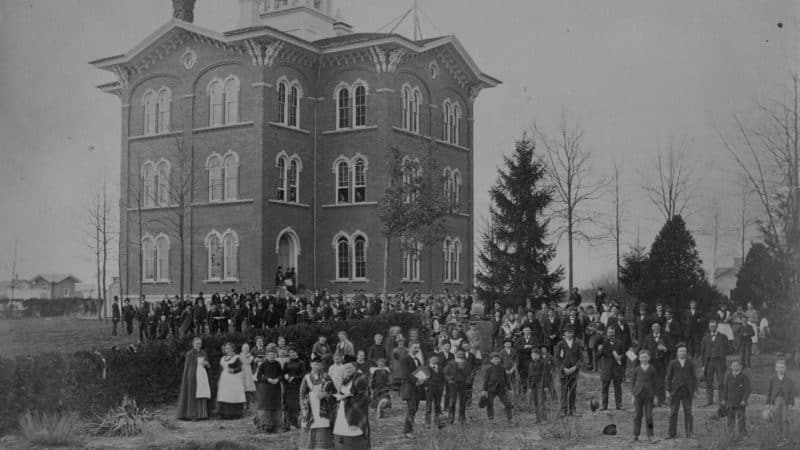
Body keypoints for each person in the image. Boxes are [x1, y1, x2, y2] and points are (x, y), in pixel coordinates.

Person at [331, 359, 371, 449]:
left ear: (355, 366)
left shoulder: (361, 378)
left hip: (355, 413)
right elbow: (343, 392)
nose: (347, 370)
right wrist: (338, 396)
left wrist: (346, 398)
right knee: (343, 434)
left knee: (354, 435)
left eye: (349, 368)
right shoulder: (347, 378)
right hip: (344, 410)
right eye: (345, 368)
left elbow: (364, 398)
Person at [299, 355, 335, 450]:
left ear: (321, 365)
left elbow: (333, 392)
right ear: (311, 365)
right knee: (310, 425)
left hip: (323, 406)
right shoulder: (306, 377)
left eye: (319, 364)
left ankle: (322, 447)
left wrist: (325, 394)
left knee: (323, 424)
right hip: (310, 407)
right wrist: (303, 409)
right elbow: (301, 395)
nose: (317, 366)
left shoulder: (326, 377)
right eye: (315, 364)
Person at [665, 342, 696, 439]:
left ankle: (690, 433)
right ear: (677, 353)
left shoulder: (690, 363)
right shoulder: (673, 363)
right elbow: (668, 377)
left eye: (684, 351)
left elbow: (694, 377)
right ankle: (671, 433)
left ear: (686, 352)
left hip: (687, 391)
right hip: (675, 391)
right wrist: (667, 390)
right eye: (680, 351)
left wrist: (695, 390)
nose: (682, 353)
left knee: (689, 412)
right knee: (673, 412)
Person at [176, 337, 211, 420]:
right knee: (193, 394)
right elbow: (188, 368)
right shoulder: (189, 354)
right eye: (197, 343)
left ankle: (202, 414)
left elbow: (208, 365)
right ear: (193, 344)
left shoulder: (203, 353)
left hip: (202, 376)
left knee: (202, 394)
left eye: (200, 343)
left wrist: (207, 364)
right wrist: (190, 376)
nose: (199, 345)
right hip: (193, 376)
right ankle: (193, 414)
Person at [766, 357, 796, 446]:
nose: (780, 369)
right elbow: (769, 391)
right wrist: (768, 403)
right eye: (779, 367)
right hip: (775, 401)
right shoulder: (773, 379)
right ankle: (777, 437)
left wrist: (791, 403)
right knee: (776, 419)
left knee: (785, 419)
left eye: (782, 367)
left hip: (785, 401)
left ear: (785, 368)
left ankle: (785, 438)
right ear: (776, 368)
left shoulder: (789, 380)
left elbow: (792, 392)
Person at [554, 327, 582, 416]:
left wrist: (575, 367)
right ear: (564, 334)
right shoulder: (560, 344)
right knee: (563, 391)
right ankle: (563, 410)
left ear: (573, 333)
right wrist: (563, 368)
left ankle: (572, 410)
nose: (569, 334)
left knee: (573, 391)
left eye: (571, 332)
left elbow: (581, 358)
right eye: (567, 332)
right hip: (564, 372)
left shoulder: (577, 344)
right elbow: (556, 359)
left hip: (573, 371)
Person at [255, 344, 283, 431]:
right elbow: (258, 377)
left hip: (275, 389)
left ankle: (276, 425)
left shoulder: (278, 364)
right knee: (265, 407)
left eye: (274, 354)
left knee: (275, 407)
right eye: (270, 354)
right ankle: (264, 425)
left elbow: (281, 375)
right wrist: (268, 379)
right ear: (267, 355)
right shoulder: (263, 364)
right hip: (265, 389)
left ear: (276, 355)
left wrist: (278, 379)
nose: (272, 356)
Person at [701, 320, 729, 406]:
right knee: (709, 382)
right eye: (711, 326)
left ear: (717, 326)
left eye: (714, 326)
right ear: (709, 327)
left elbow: (728, 349)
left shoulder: (723, 337)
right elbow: (703, 352)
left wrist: (722, 356)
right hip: (709, 362)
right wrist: (703, 365)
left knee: (721, 382)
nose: (712, 328)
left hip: (719, 362)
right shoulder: (705, 337)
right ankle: (709, 400)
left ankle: (722, 400)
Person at [631, 349, 657, 444]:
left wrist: (655, 396)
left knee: (649, 416)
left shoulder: (652, 369)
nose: (644, 359)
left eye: (646, 357)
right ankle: (635, 435)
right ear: (639, 358)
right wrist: (633, 395)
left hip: (649, 396)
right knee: (637, 415)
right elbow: (633, 383)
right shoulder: (636, 370)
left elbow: (655, 384)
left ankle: (650, 435)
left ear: (649, 358)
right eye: (642, 357)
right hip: (638, 395)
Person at [400, 340, 425, 439]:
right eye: (414, 347)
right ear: (409, 347)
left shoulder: (418, 360)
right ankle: (407, 431)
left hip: (417, 388)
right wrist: (417, 380)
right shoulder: (404, 359)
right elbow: (406, 375)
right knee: (412, 409)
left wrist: (423, 379)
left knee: (415, 409)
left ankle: (410, 429)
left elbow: (420, 373)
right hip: (409, 388)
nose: (416, 350)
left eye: (418, 348)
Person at [217, 342, 246, 419]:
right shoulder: (223, 358)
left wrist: (233, 370)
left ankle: (235, 413)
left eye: (229, 348)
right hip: (224, 379)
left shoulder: (237, 358)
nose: (228, 350)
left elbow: (240, 368)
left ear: (233, 348)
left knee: (233, 395)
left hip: (234, 379)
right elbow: (220, 369)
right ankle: (224, 413)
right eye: (226, 348)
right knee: (224, 394)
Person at [598, 326, 625, 410]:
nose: (611, 334)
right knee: (605, 388)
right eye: (609, 333)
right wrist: (600, 350)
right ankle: (604, 405)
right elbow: (598, 356)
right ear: (607, 333)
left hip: (617, 369)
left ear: (615, 333)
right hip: (606, 369)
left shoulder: (620, 343)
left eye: (612, 333)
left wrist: (620, 357)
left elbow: (625, 355)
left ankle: (619, 404)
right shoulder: (603, 343)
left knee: (618, 388)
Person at [722, 359, 751, 438]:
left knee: (741, 419)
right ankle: (730, 434)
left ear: (740, 367)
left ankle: (743, 435)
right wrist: (724, 399)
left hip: (740, 403)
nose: (735, 367)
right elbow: (725, 388)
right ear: (731, 367)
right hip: (730, 402)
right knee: (730, 419)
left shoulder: (744, 376)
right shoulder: (728, 375)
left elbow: (747, 390)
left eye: (737, 365)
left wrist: (744, 400)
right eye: (733, 365)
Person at [444, 348, 472, 424]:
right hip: (453, 384)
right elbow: (445, 373)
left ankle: (462, 418)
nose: (460, 355)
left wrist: (468, 381)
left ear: (463, 355)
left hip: (463, 383)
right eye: (458, 354)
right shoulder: (451, 363)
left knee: (463, 401)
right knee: (453, 400)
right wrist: (449, 380)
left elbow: (469, 374)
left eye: (462, 354)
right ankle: (451, 418)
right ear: (455, 354)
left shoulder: (466, 363)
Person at [482, 352, 513, 422]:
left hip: (501, 389)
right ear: (491, 360)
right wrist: (484, 389)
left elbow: (506, 379)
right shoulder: (489, 368)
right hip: (491, 389)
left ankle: (510, 419)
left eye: (497, 359)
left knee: (507, 403)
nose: (496, 360)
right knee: (490, 404)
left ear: (499, 359)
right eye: (494, 359)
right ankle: (491, 420)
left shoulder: (502, 368)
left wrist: (509, 388)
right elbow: (486, 379)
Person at [284, 348, 306, 430]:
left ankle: (299, 423)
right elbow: (283, 373)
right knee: (289, 405)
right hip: (288, 387)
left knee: (297, 405)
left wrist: (294, 377)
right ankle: (291, 423)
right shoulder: (287, 363)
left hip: (298, 386)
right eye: (289, 353)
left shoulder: (301, 363)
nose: (291, 354)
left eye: (293, 352)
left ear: (296, 353)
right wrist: (285, 376)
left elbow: (303, 374)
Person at [423, 353, 445, 429]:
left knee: (438, 405)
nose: (435, 360)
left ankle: (437, 420)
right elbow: (423, 379)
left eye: (436, 358)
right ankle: (427, 422)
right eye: (433, 358)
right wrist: (426, 386)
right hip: (430, 388)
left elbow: (443, 378)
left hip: (439, 388)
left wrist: (442, 386)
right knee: (429, 405)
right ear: (429, 359)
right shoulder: (426, 368)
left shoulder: (441, 368)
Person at [527, 348, 547, 423]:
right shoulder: (531, 364)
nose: (534, 356)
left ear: (539, 355)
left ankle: (544, 419)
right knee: (535, 401)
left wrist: (545, 386)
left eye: (536, 355)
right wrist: (529, 387)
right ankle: (537, 419)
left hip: (541, 383)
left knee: (541, 401)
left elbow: (545, 375)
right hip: (533, 384)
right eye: (532, 355)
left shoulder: (543, 363)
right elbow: (529, 376)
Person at [240, 343, 256, 412]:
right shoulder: (240, 356)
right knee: (242, 389)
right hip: (242, 372)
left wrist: (248, 356)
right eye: (245, 348)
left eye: (247, 348)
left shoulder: (251, 357)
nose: (246, 349)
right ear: (242, 349)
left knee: (248, 389)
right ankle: (242, 405)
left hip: (248, 372)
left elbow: (249, 362)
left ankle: (248, 405)